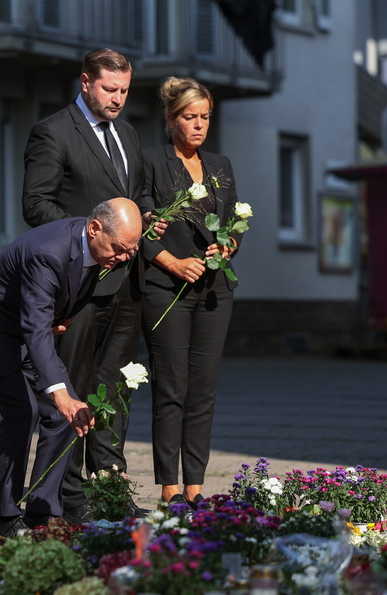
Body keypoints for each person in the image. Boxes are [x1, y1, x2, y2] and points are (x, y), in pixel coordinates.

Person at [0, 198, 143, 538]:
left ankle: (42, 513)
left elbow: (42, 317)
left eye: (131, 250)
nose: (124, 258)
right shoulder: (49, 252)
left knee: (68, 416)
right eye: (119, 248)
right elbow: (35, 329)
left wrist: (65, 396)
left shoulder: (96, 244)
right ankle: (6, 519)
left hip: (25, 329)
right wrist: (60, 392)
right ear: (95, 228)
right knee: (22, 412)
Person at [21, 48, 148, 524]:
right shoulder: (53, 132)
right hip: (78, 283)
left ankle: (109, 486)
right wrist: (94, 235)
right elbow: (36, 205)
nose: (117, 99)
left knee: (116, 388)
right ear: (86, 83)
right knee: (71, 387)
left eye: (124, 91)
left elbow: (128, 201)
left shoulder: (129, 135)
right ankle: (65, 495)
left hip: (125, 284)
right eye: (109, 89)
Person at [140, 77, 242, 507]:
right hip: (166, 288)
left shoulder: (220, 165)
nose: (198, 125)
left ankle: (196, 486)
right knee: (171, 387)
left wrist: (229, 244)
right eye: (189, 117)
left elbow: (237, 222)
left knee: (203, 390)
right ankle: (168, 488)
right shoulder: (150, 161)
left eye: (204, 117)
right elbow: (140, 228)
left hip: (215, 290)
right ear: (171, 119)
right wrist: (172, 262)